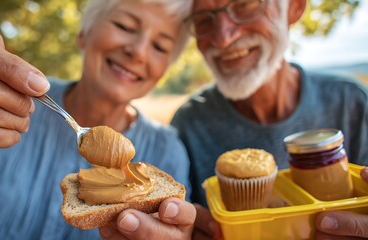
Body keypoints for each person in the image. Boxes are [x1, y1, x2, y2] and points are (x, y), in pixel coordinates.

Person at [101, 0, 368, 239]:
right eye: (204, 20)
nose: (224, 38)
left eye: (245, 5)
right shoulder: (189, 123)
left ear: (295, 7)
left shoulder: (352, 103)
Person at [0, 0, 195, 239]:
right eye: (124, 26)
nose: (138, 52)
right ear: (84, 34)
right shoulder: (4, 107)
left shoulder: (169, 153)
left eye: (160, 46)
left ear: (164, 70)